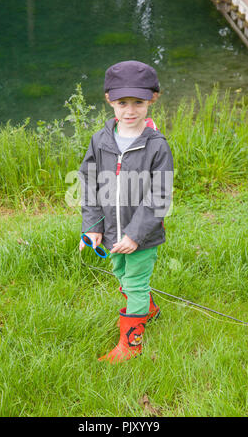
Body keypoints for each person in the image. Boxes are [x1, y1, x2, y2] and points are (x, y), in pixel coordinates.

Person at [78, 60, 173, 363]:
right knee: (120, 272)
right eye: (122, 102)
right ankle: (149, 308)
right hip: (110, 232)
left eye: (138, 102)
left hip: (142, 235)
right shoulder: (101, 139)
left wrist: (135, 234)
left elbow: (160, 196)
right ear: (109, 101)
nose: (130, 110)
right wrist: (93, 226)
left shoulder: (157, 146)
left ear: (152, 100)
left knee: (134, 282)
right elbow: (89, 182)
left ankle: (131, 345)